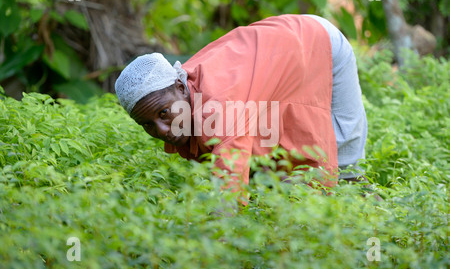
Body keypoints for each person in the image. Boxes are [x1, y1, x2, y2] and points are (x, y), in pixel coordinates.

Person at [115, 14, 368, 204]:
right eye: (147, 124)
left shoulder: (220, 107)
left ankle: (382, 227)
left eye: (163, 113)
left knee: (347, 168)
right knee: (276, 177)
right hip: (275, 50)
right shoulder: (178, 89)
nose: (161, 131)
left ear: (182, 87)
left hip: (316, 41)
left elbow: (228, 197)